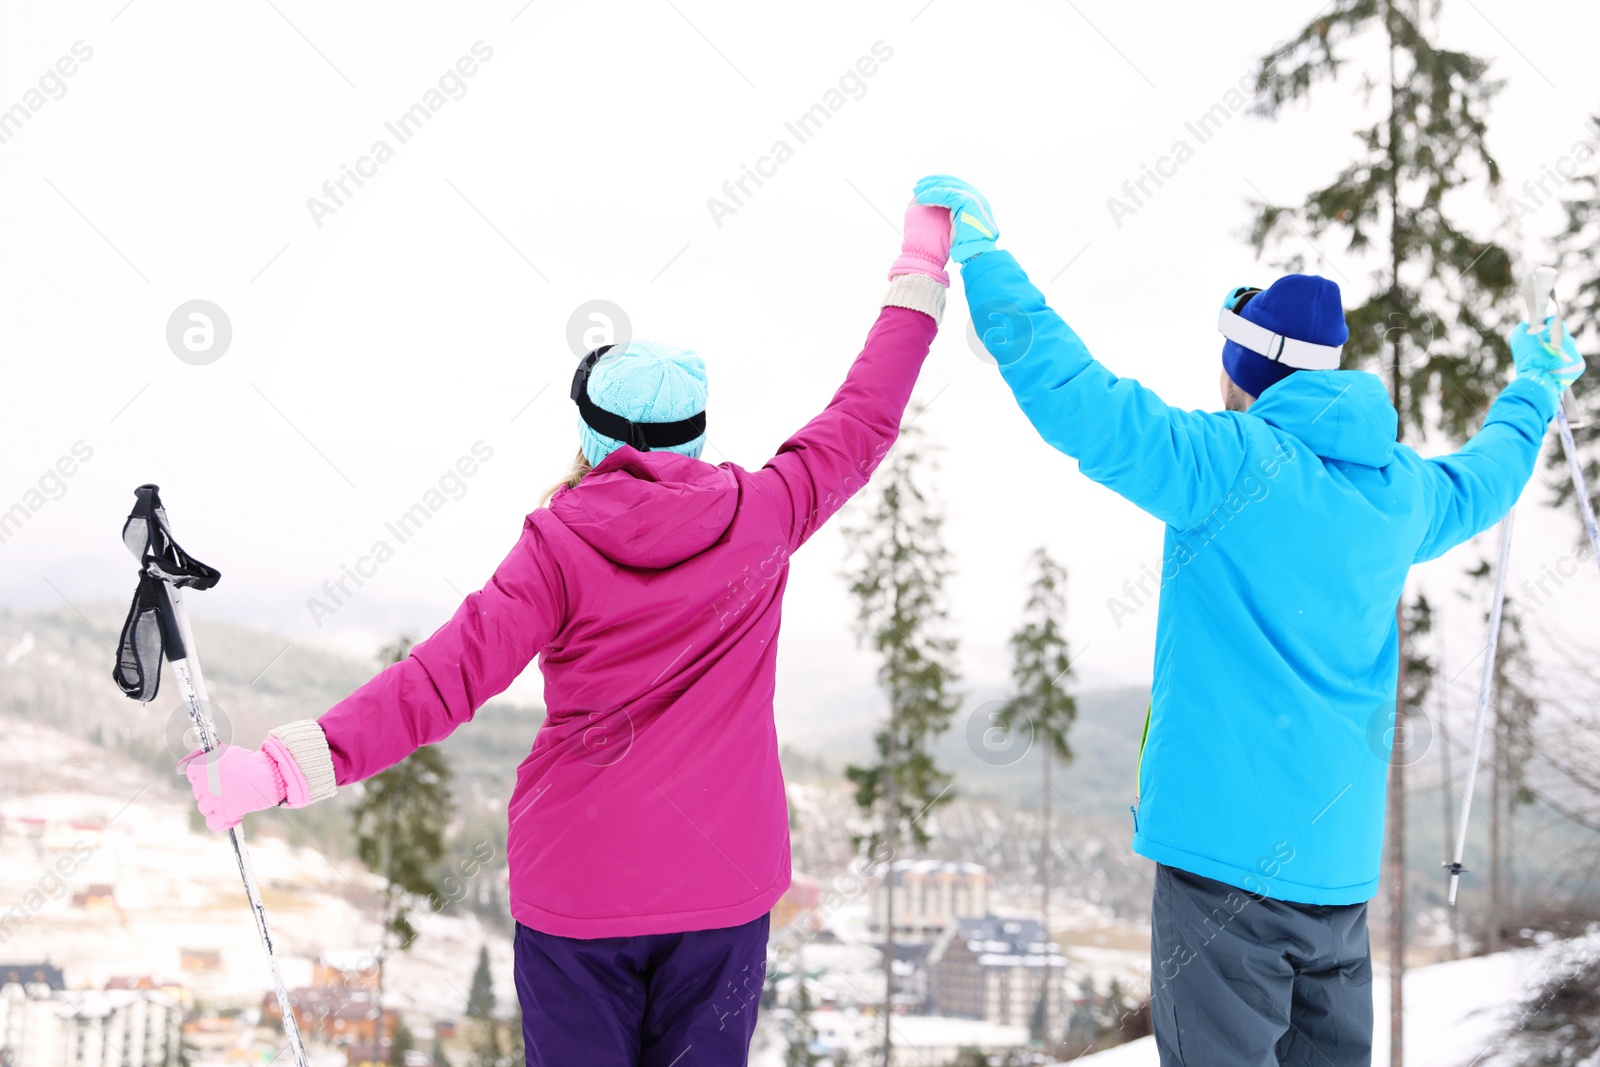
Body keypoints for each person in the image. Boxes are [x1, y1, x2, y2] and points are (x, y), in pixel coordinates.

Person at [179, 197, 957, 1067]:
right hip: (724, 891)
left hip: (577, 891)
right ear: (693, 436)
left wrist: (281, 769)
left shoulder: (557, 547)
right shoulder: (766, 513)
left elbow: (439, 682)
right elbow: (866, 414)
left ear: (591, 437)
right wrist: (919, 270)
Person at [913, 174, 1586, 1066]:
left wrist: (988, 264)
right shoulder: (1398, 491)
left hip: (1223, 866)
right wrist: (1534, 386)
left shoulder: (1224, 465)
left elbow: (1085, 401)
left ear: (1247, 371)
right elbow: (1486, 477)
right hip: (1339, 876)